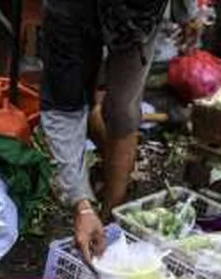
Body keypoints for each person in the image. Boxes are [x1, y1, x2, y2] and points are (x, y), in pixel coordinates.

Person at [40, 0, 169, 262]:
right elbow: (63, 111)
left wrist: (189, 13)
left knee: (122, 110)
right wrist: (81, 205)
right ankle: (94, 212)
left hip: (141, 18)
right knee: (74, 98)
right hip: (76, 13)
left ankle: (112, 219)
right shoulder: (66, 11)